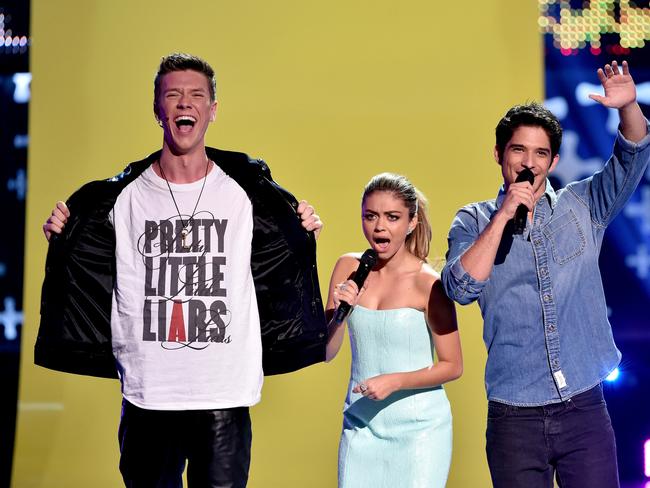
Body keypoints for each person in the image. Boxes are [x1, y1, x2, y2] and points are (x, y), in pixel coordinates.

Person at [38, 52, 327, 488]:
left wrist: (301, 232)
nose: (184, 104)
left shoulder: (247, 194)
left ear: (212, 110)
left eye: (196, 95)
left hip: (224, 394)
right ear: (157, 110)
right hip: (148, 393)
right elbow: (84, 259)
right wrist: (65, 235)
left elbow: (280, 260)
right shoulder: (123, 197)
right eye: (172, 95)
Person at [441, 60, 650, 488]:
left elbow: (632, 154)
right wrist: (503, 215)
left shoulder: (583, 203)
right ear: (499, 154)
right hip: (513, 414)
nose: (529, 163)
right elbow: (460, 288)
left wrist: (628, 106)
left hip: (584, 408)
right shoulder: (472, 220)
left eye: (540, 154)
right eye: (519, 150)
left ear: (553, 161)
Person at [326, 173, 462, 488]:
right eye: (370, 216)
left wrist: (396, 381)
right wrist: (339, 316)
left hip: (419, 432)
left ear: (412, 222)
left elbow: (453, 365)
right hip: (360, 426)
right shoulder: (348, 268)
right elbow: (327, 351)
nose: (379, 227)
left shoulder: (428, 284)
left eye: (392, 217)